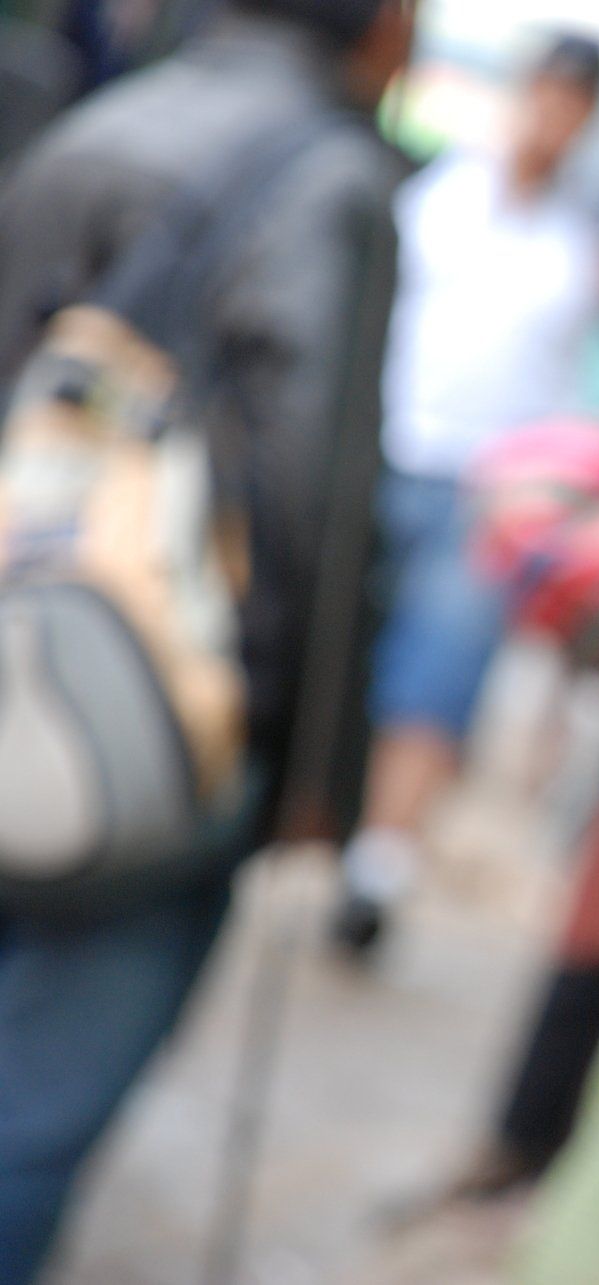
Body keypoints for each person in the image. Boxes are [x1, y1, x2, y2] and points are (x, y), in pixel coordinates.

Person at [0, 0, 414, 1277]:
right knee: (35, 1113)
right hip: (161, 717)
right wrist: (315, 778)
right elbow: (316, 507)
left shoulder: (102, 121)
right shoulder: (332, 177)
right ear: (384, 22)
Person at [331, 32, 599, 956]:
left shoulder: (587, 236)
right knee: (351, 653)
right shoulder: (437, 195)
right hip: (391, 452)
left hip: (495, 492)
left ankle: (379, 865)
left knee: (436, 672)